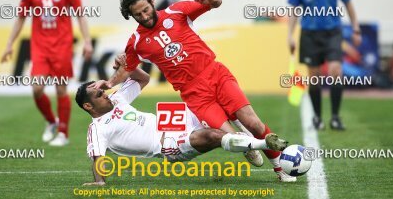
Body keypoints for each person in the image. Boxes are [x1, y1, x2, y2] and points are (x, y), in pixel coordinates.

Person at [91, 0, 296, 182]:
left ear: (152, 1)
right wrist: (108, 83)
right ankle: (246, 143)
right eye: (137, 15)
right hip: (195, 95)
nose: (144, 16)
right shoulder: (136, 42)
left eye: (145, 10)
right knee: (229, 137)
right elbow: (127, 68)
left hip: (215, 74)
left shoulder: (177, 11)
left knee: (254, 124)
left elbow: (216, 3)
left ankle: (281, 170)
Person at [77, 56, 288, 186]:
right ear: (88, 106)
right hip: (168, 145)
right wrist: (99, 182)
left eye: (102, 90)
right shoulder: (98, 128)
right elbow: (97, 156)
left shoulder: (116, 98)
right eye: (98, 95)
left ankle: (243, 141)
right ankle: (260, 143)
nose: (105, 94)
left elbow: (143, 79)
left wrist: (127, 65)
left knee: (213, 99)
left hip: (176, 118)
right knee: (213, 135)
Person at [1, 0, 94, 146]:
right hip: (40, 47)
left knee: (61, 89)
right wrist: (9, 44)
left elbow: (80, 14)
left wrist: (87, 41)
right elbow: (20, 18)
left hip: (61, 46)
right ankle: (52, 121)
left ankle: (63, 133)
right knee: (36, 89)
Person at [287, 0, 361, 131]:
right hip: (310, 34)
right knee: (314, 77)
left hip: (332, 32)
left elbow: (348, 3)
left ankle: (335, 117)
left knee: (336, 71)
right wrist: (290, 35)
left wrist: (356, 28)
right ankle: (318, 118)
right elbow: (294, 10)